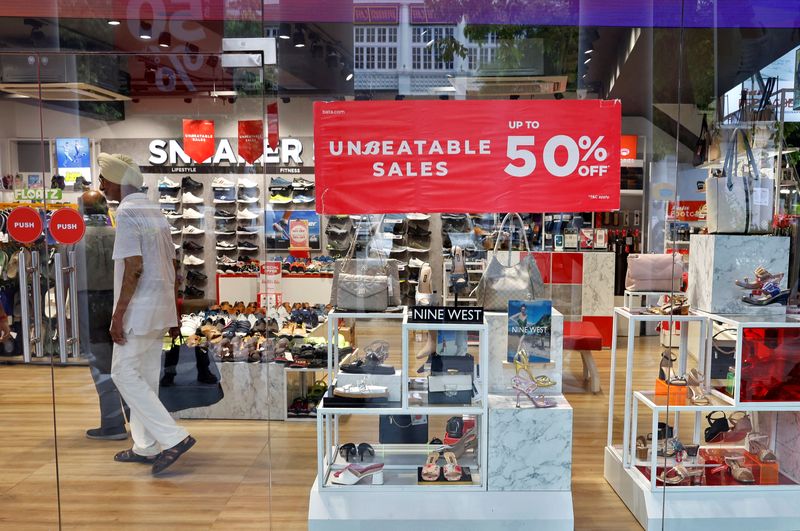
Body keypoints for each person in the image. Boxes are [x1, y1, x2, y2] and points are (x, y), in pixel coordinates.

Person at [98, 152, 195, 475]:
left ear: (117, 182)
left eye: (104, 179)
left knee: (123, 373)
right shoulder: (154, 209)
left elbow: (134, 267)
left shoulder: (127, 212)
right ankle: (145, 444)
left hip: (138, 310)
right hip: (159, 307)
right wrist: (174, 313)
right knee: (145, 376)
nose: (101, 186)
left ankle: (173, 438)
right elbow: (172, 265)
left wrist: (118, 314)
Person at [74, 190, 129, 440]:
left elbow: (64, 277)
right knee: (127, 364)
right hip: (119, 302)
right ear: (105, 208)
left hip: (90, 302)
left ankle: (112, 424)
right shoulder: (119, 236)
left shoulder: (75, 239)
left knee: (101, 367)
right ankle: (139, 422)